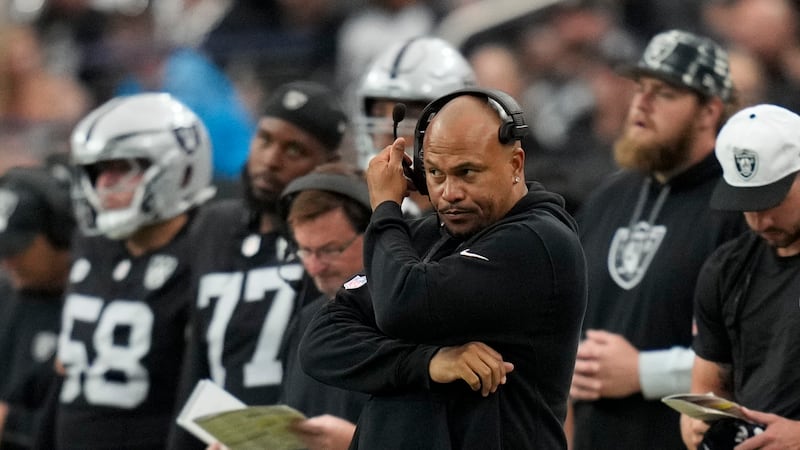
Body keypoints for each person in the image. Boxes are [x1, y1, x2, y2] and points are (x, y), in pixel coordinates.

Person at [300, 88, 587, 448]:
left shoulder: (539, 241)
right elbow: (321, 340)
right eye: (435, 173)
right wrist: (428, 363)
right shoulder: (421, 236)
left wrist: (386, 209)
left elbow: (401, 304)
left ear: (515, 164)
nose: (449, 192)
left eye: (467, 172)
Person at [569, 29, 748, 449]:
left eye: (664, 93)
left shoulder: (740, 207)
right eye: (639, 88)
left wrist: (643, 371)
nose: (641, 103)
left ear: (709, 111)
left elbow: (756, 354)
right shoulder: (607, 197)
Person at [167, 80, 347, 449]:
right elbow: (196, 361)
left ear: (327, 165)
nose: (271, 159)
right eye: (265, 139)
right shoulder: (213, 226)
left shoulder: (332, 240)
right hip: (216, 437)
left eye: (294, 149)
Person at [54, 92, 216, 450]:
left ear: (180, 168)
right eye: (97, 171)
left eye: (121, 167)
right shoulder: (91, 244)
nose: (103, 185)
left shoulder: (207, 247)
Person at [681, 104, 800, 449]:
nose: (761, 220)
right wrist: (695, 424)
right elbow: (707, 389)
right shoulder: (726, 270)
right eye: (747, 202)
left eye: (772, 200)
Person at [277, 162, 371, 450]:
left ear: (377, 232)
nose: (315, 268)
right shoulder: (309, 319)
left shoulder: (411, 319)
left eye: (330, 250)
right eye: (305, 250)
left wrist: (355, 443)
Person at [352, 35, 476, 216]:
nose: (387, 129)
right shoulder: (350, 209)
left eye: (408, 114)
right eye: (378, 113)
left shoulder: (478, 211)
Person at [0, 166, 74, 449]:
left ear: (60, 233)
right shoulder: (6, 294)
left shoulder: (89, 310)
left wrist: (12, 423)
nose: (7, 262)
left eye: (17, 249)